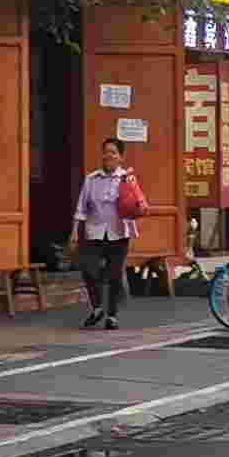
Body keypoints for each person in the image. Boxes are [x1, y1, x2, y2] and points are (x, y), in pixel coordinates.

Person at [70, 136, 147, 331]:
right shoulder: (91, 179)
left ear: (121, 157)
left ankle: (112, 315)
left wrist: (138, 207)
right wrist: (74, 232)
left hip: (118, 233)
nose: (108, 155)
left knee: (115, 275)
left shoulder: (127, 179)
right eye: (106, 152)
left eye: (113, 152)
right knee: (88, 269)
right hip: (94, 231)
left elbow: (139, 203)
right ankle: (97, 308)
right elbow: (81, 208)